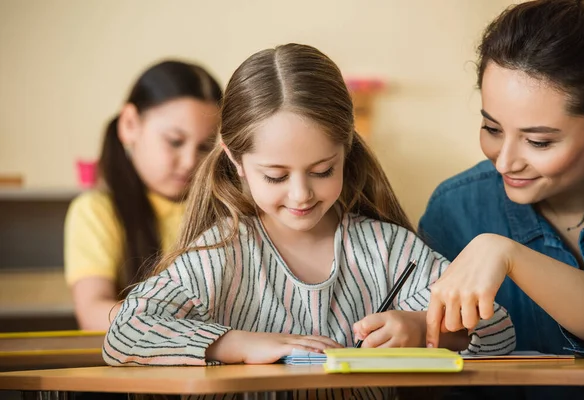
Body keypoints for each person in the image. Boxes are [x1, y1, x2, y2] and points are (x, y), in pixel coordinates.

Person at [102, 43, 515, 399]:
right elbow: (124, 332)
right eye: (276, 176)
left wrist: (422, 325)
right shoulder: (222, 253)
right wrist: (237, 344)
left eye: (321, 171)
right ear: (235, 159)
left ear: (346, 148)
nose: (301, 195)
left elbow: (498, 329)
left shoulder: (389, 250)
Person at [419, 0, 584, 358]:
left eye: (538, 141)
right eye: (492, 128)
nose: (504, 163)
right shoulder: (454, 210)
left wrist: (506, 253)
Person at [64, 60, 222, 331]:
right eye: (174, 141)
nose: (188, 162)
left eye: (205, 146)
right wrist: (188, 329)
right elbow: (92, 313)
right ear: (130, 124)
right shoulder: (96, 211)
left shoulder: (225, 209)